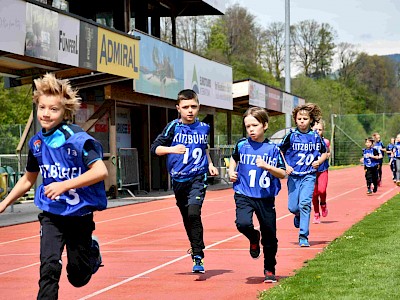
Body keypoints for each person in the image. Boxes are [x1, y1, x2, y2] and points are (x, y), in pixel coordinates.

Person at [0, 73, 108, 299]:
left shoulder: (77, 139)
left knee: (77, 277)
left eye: (53, 109)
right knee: (49, 267)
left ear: (64, 112)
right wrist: (4, 202)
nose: (46, 114)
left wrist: (64, 184)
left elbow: (100, 171)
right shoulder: (37, 142)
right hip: (52, 214)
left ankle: (92, 253)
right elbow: (29, 179)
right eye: (42, 108)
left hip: (79, 215)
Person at [150, 89, 218, 274]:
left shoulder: (205, 128)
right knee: (187, 216)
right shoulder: (173, 127)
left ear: (199, 107)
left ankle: (198, 254)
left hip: (198, 176)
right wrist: (172, 150)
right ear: (178, 108)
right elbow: (154, 149)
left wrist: (210, 164)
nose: (190, 111)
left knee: (194, 213)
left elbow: (204, 148)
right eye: (186, 107)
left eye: (194, 107)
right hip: (179, 179)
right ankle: (195, 247)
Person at [228, 107, 285, 283]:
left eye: (255, 125)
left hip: (265, 197)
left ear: (265, 125)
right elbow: (234, 158)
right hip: (244, 192)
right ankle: (253, 237)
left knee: (269, 234)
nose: (251, 129)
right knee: (243, 223)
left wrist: (268, 167)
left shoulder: (272, 149)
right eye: (248, 126)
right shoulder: (241, 145)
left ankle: (269, 268)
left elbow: (283, 173)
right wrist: (231, 171)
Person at [278, 103, 327, 247]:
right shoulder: (291, 136)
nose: (302, 121)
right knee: (293, 207)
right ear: (295, 119)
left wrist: (319, 161)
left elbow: (325, 152)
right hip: (294, 175)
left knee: (305, 203)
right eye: (299, 118)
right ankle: (297, 215)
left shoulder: (315, 137)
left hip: (309, 175)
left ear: (311, 120)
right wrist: (286, 166)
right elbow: (280, 151)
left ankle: (303, 235)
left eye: (305, 118)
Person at [311, 120, 330, 224]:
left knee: (322, 190)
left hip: (323, 169)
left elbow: (328, 152)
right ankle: (316, 213)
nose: (317, 131)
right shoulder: (308, 141)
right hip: (311, 171)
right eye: (315, 129)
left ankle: (323, 204)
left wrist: (328, 154)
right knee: (314, 194)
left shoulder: (325, 142)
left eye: (320, 129)